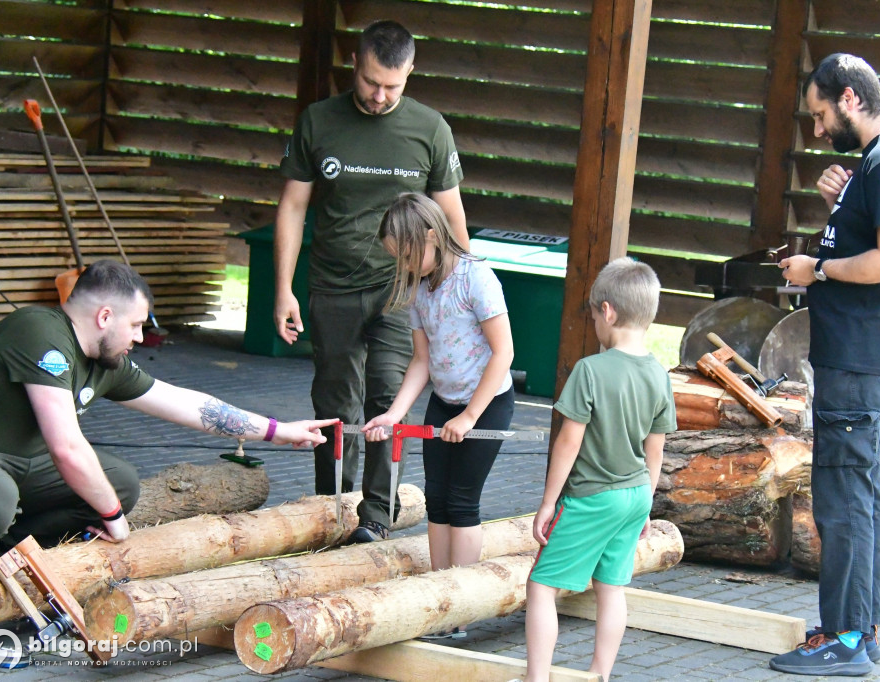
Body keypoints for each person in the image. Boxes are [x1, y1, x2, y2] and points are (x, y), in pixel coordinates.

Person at [0, 260, 336, 554]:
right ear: (104, 317)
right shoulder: (41, 334)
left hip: (23, 462)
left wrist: (276, 431)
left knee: (121, 484)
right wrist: (112, 515)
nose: (140, 337)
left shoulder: (105, 361)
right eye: (135, 325)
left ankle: (10, 553)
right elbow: (66, 448)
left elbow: (186, 404)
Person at [771, 54, 880, 677]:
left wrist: (817, 269)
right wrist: (849, 200)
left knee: (841, 498)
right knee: (859, 495)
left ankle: (842, 640)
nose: (817, 131)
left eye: (819, 115)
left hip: (859, 355)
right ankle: (858, 632)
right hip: (862, 354)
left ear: (849, 98)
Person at [273, 20, 468, 543]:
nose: (381, 96)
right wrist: (283, 288)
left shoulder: (430, 130)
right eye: (372, 83)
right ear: (355, 66)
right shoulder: (317, 121)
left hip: (401, 289)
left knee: (389, 398)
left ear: (409, 73)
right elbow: (292, 206)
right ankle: (329, 509)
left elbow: (452, 220)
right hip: (331, 285)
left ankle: (376, 518)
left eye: (394, 86)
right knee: (333, 404)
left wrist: (458, 296)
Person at [515, 258, 676, 682]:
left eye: (592, 314)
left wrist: (548, 503)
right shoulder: (660, 374)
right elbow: (655, 451)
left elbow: (568, 442)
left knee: (541, 586)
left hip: (592, 497)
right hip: (635, 495)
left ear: (607, 311)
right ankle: (599, 674)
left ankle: (537, 678)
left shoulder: (590, 369)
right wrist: (646, 508)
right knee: (611, 588)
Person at [363, 193, 514, 636]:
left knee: (463, 502)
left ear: (432, 235)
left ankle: (462, 605)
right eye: (398, 259)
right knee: (437, 498)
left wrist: (470, 416)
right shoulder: (418, 287)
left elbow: (503, 354)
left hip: (485, 404)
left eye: (409, 255)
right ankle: (439, 593)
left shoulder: (476, 278)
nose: (405, 266)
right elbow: (420, 362)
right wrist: (394, 413)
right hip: (444, 402)